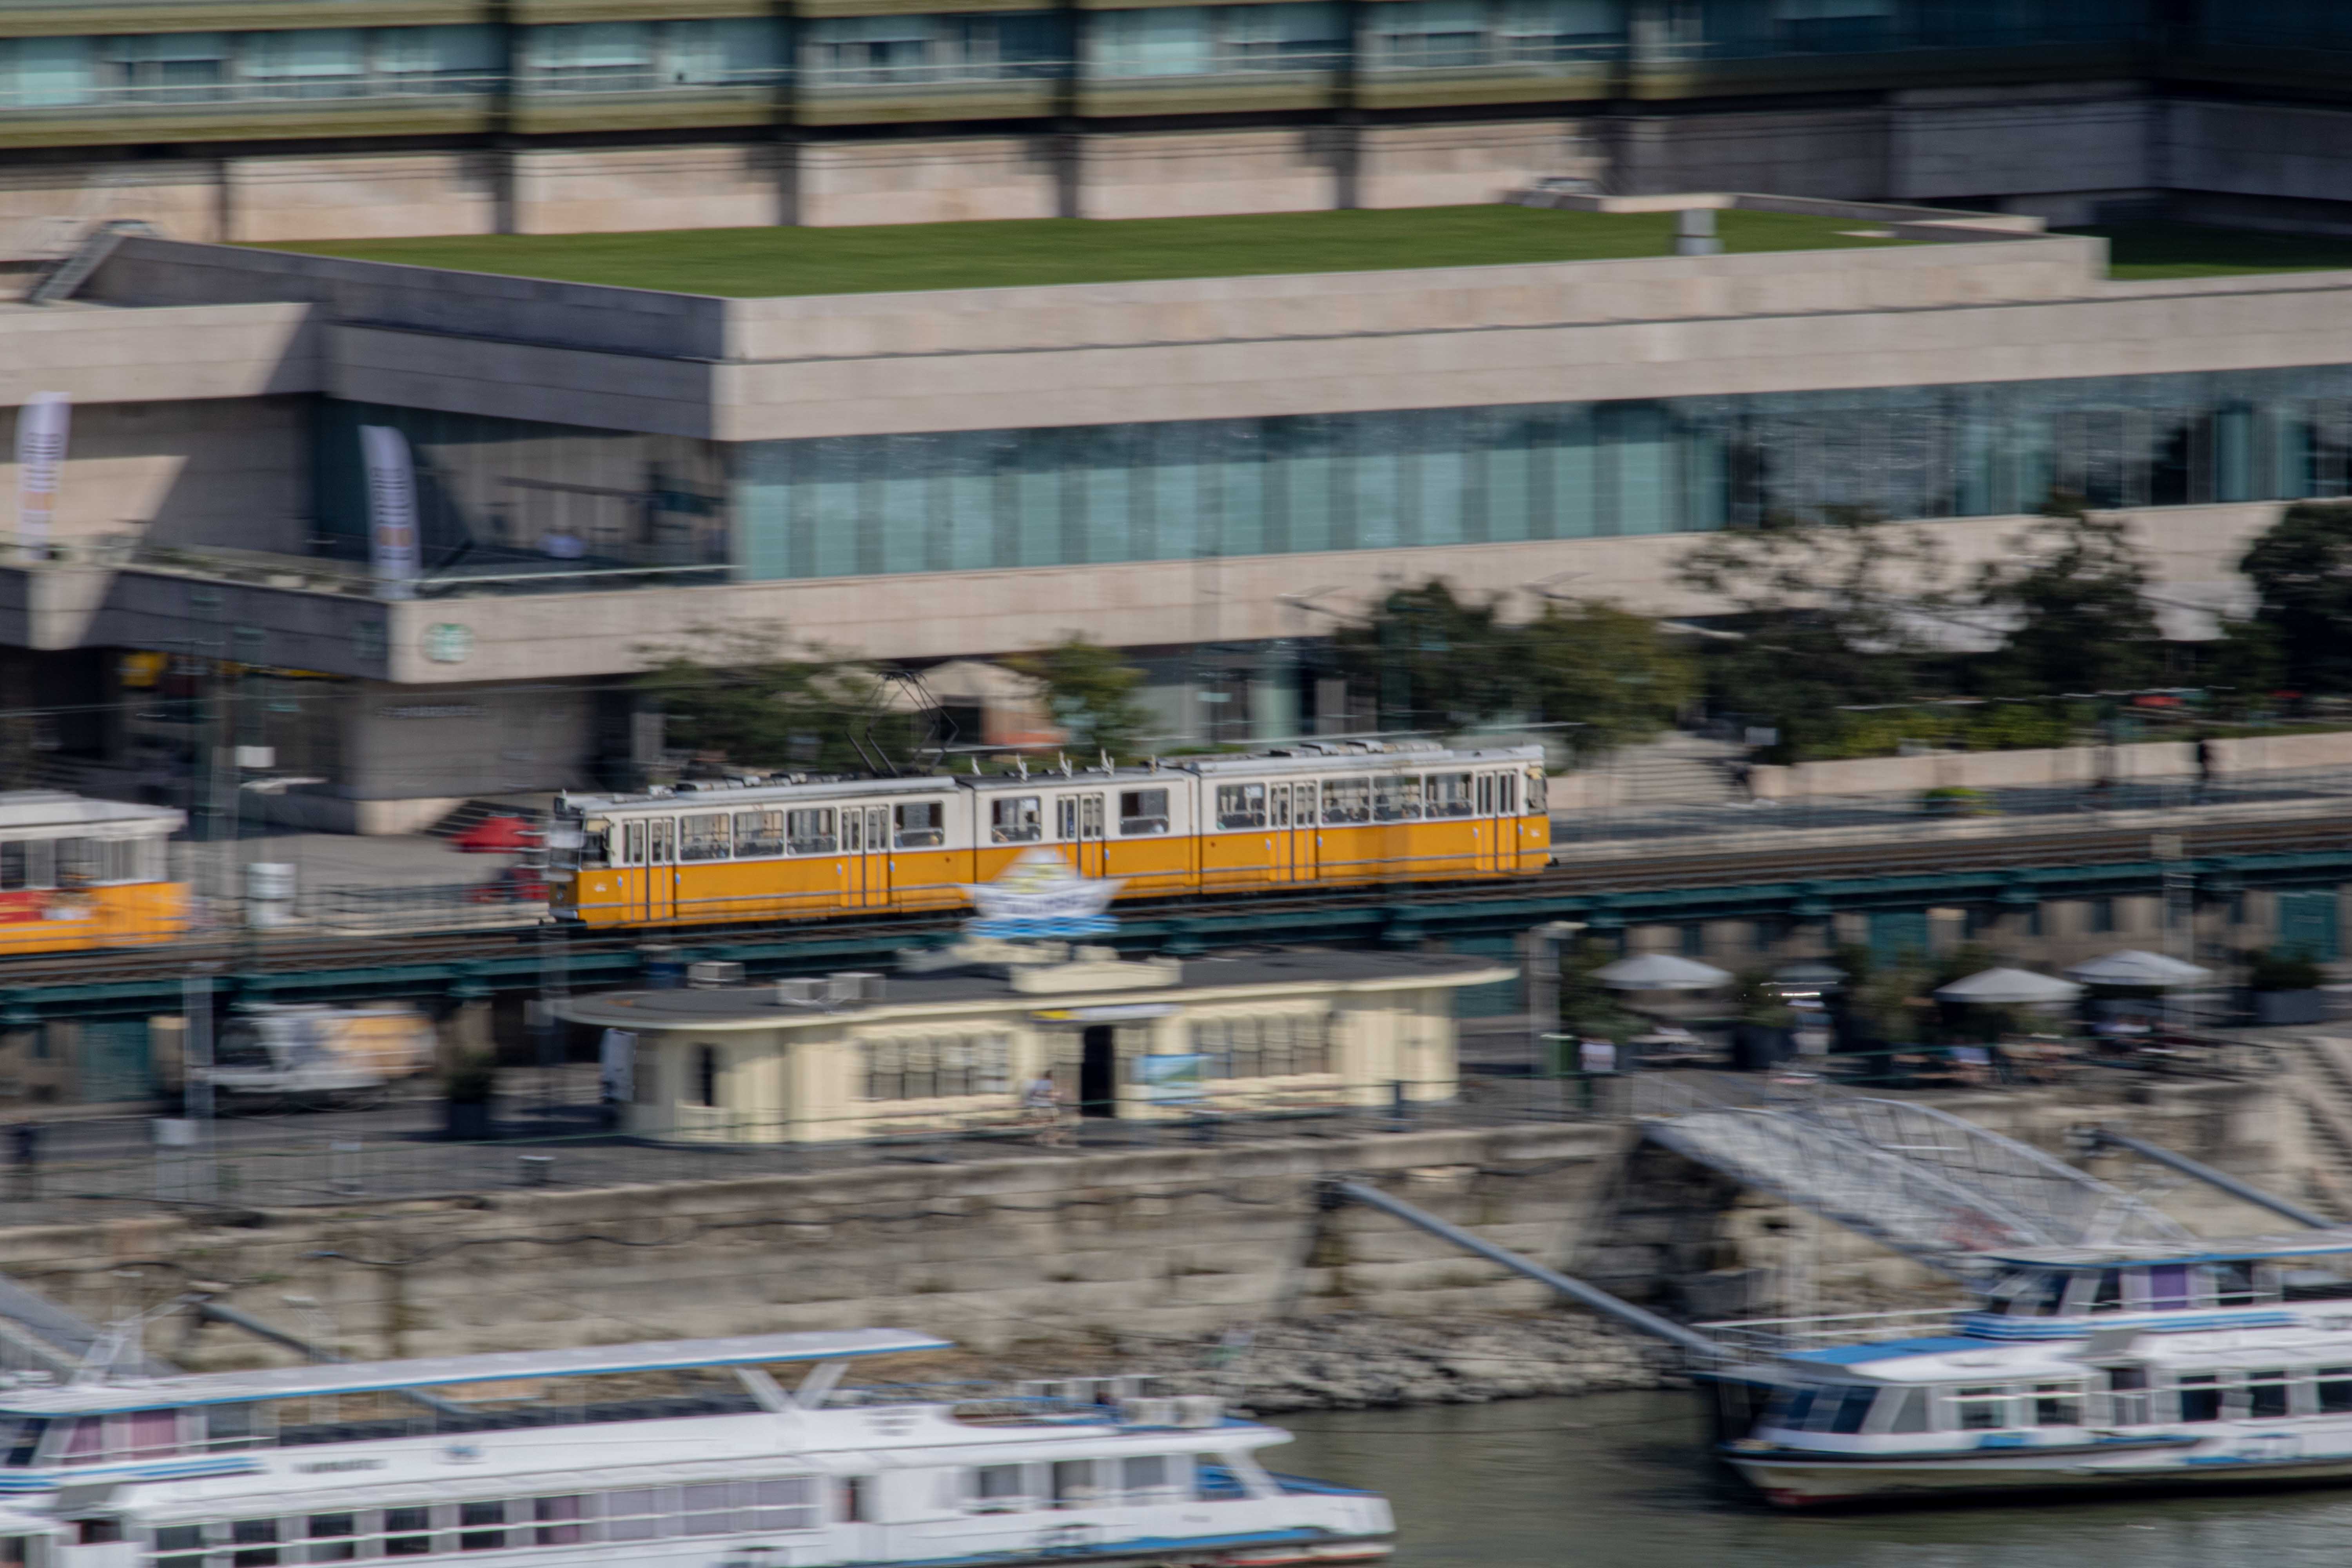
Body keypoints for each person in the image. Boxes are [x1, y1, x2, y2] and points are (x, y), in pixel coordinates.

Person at [1023, 1074, 1071, 1148]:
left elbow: (1033, 1095)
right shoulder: (1049, 1083)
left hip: (1039, 1107)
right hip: (1047, 1108)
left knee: (1049, 1125)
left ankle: (1044, 1138)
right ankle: (1050, 1140)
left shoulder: (1038, 1083)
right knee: (1054, 1125)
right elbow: (1051, 1096)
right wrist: (1058, 1096)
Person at [9, 1120, 38, 1199]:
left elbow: (17, 1132)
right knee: (27, 1176)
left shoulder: (26, 1131)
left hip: (24, 1156)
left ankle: (19, 1193)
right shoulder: (31, 1132)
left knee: (21, 1176)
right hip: (27, 1156)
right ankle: (27, 1194)